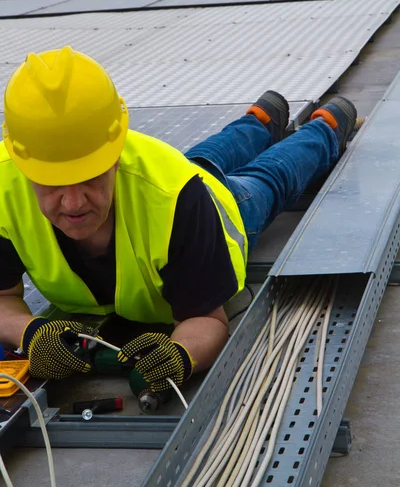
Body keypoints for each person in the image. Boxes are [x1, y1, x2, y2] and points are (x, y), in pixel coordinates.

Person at [0, 46, 357, 392]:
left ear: (115, 156)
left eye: (90, 176)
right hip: (171, 177)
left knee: (267, 179)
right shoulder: (4, 187)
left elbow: (207, 320)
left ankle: (324, 128)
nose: (73, 201)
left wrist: (182, 355)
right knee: (201, 160)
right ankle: (261, 120)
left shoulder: (178, 200)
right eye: (53, 183)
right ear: (24, 164)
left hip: (221, 208)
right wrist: (29, 332)